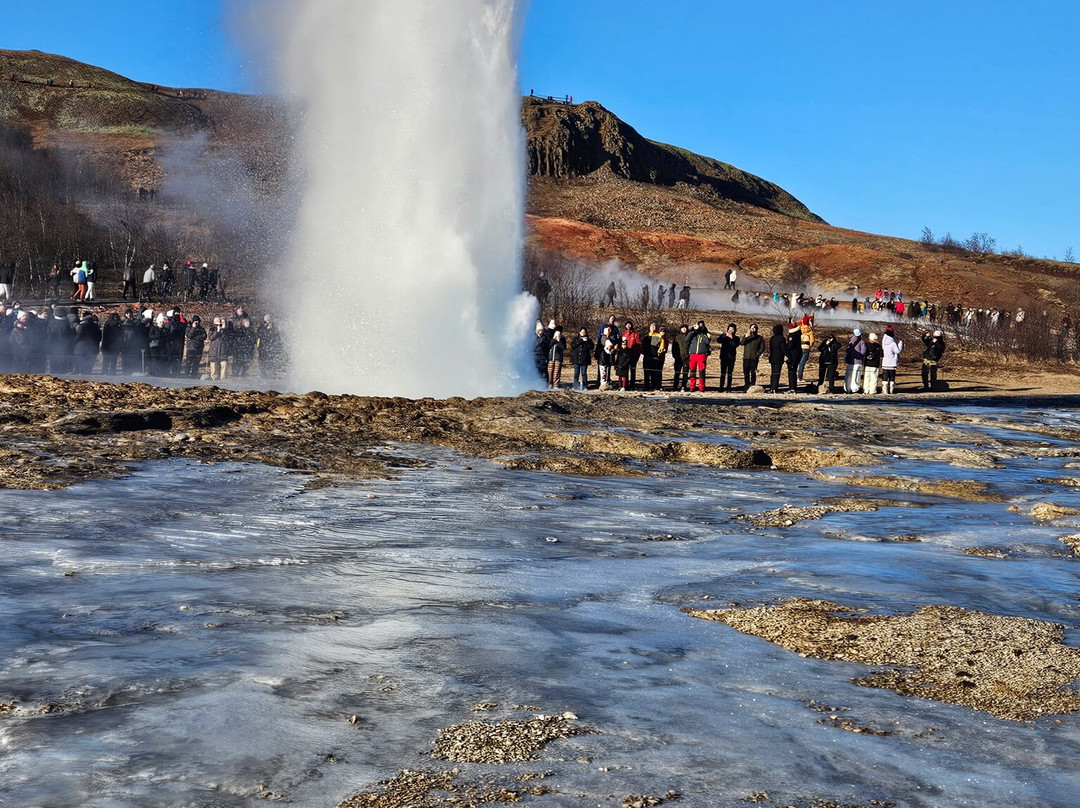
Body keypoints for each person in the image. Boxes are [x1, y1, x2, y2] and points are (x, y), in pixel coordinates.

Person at [686, 320, 711, 391]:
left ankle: (701, 387)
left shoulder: (706, 333)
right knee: (692, 371)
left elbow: (708, 341)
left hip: (702, 355)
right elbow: (687, 339)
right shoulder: (693, 334)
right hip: (693, 354)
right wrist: (693, 331)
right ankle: (692, 386)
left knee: (701, 371)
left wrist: (702, 332)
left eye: (701, 326)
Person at [642, 322, 666, 390]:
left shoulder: (659, 336)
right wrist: (643, 352)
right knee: (646, 373)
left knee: (654, 373)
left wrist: (658, 352)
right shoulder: (646, 337)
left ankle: (654, 386)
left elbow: (662, 345)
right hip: (647, 357)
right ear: (649, 328)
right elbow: (642, 346)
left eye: (654, 327)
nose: (653, 328)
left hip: (655, 357)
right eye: (652, 327)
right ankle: (646, 386)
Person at [741, 323, 764, 391]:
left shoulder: (759, 338)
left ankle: (752, 386)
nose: (753, 329)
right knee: (746, 373)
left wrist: (757, 354)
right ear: (749, 329)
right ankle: (746, 386)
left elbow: (762, 348)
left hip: (754, 358)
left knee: (753, 373)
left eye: (754, 328)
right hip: (746, 358)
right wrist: (746, 336)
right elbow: (742, 343)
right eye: (751, 328)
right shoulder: (746, 336)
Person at [717, 323, 740, 392]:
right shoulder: (724, 336)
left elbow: (734, 345)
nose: (731, 330)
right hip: (724, 357)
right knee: (723, 372)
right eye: (729, 329)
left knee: (730, 372)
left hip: (731, 358)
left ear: (734, 330)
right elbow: (718, 340)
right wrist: (724, 336)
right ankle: (721, 387)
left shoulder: (736, 338)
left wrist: (731, 338)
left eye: (732, 329)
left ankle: (729, 387)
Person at [621, 320, 642, 390]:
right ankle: (625, 384)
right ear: (625, 326)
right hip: (625, 356)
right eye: (627, 325)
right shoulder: (623, 335)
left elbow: (639, 346)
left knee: (633, 370)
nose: (628, 326)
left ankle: (632, 384)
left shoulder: (636, 335)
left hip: (633, 355)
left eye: (629, 324)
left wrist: (637, 355)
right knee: (625, 370)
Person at [843, 328, 866, 393]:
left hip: (850, 360)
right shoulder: (861, 342)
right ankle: (855, 389)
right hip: (858, 361)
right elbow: (863, 351)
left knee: (848, 375)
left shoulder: (850, 341)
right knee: (856, 375)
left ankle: (847, 388)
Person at [570, 327, 593, 391]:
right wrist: (579, 341)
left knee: (584, 373)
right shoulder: (575, 339)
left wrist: (587, 341)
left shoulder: (588, 340)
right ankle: (575, 385)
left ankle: (585, 386)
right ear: (579, 332)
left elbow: (591, 347)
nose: (583, 333)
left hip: (584, 359)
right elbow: (572, 346)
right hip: (576, 359)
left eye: (584, 332)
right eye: (582, 332)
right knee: (576, 373)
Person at [671, 323, 690, 391]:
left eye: (685, 328)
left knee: (685, 373)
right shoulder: (677, 337)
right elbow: (674, 347)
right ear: (680, 329)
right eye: (683, 328)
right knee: (677, 373)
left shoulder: (689, 336)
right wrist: (675, 355)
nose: (684, 329)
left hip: (687, 357)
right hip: (678, 357)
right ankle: (675, 386)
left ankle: (684, 386)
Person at [595, 325, 616, 389]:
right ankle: (602, 384)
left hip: (609, 357)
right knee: (603, 371)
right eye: (608, 329)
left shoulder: (613, 337)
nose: (609, 331)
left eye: (610, 329)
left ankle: (607, 383)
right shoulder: (603, 337)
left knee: (607, 371)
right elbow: (607, 345)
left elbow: (613, 345)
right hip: (602, 357)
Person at [785, 320, 803, 392]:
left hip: (793, 355)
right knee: (793, 371)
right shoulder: (798, 333)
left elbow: (790, 345)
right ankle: (793, 387)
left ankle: (792, 387)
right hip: (798, 353)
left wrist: (785, 347)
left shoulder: (792, 335)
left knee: (791, 371)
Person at [798, 315, 815, 382]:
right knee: (802, 362)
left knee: (800, 362)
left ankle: (799, 376)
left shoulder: (800, 329)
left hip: (800, 346)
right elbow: (812, 341)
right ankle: (800, 377)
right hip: (806, 347)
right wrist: (810, 345)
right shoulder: (809, 331)